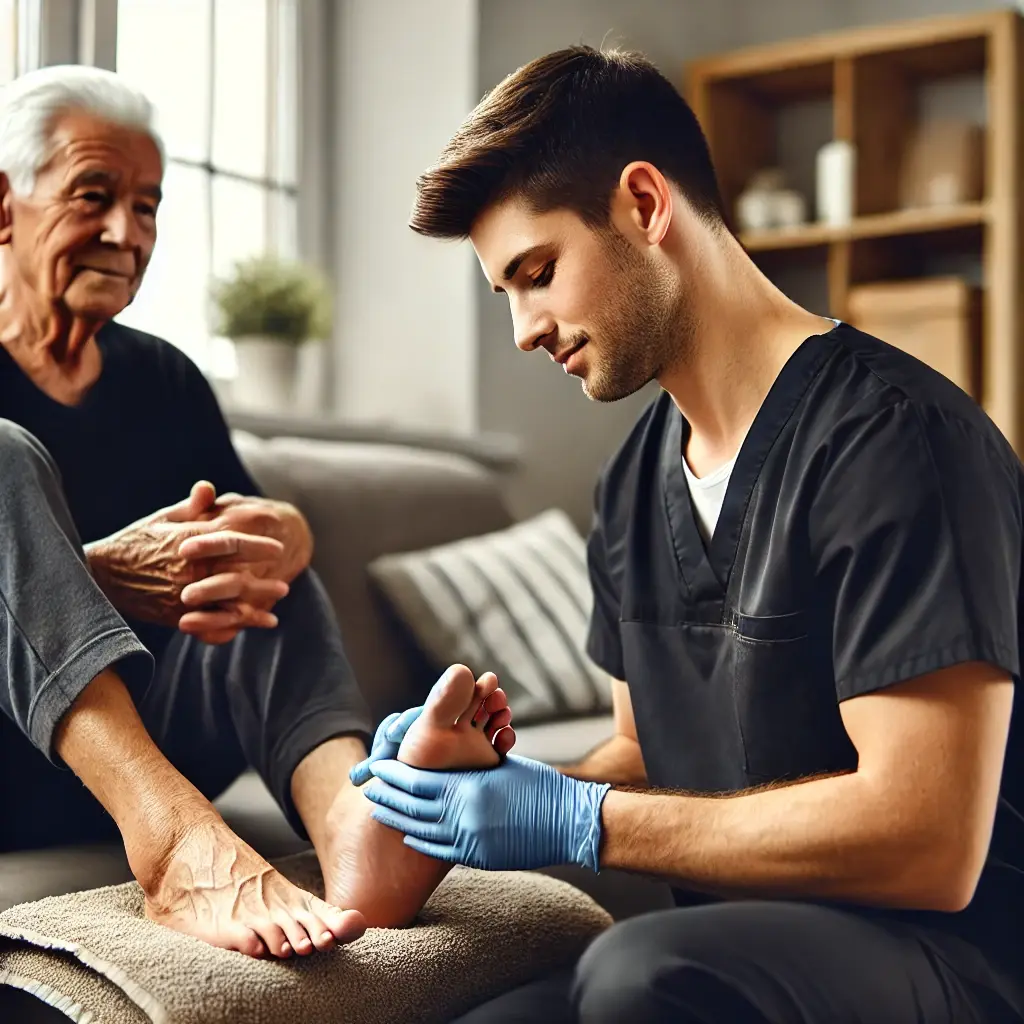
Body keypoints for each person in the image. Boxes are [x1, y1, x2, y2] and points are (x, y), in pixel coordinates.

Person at [354, 45, 1024, 1023]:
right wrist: (504, 785)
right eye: (506, 294)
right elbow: (643, 747)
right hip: (727, 953)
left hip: (951, 961)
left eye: (537, 273)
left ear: (643, 204)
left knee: (639, 974)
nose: (524, 331)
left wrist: (580, 820)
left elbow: (926, 840)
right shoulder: (630, 485)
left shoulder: (899, 441)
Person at [0, 63, 515, 964]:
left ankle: (355, 828)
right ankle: (173, 845)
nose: (127, 232)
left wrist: (289, 532)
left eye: (149, 206)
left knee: (251, 565)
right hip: (16, 762)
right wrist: (105, 577)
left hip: (160, 741)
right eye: (94, 195)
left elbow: (244, 541)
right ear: (6, 208)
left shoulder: (162, 378)